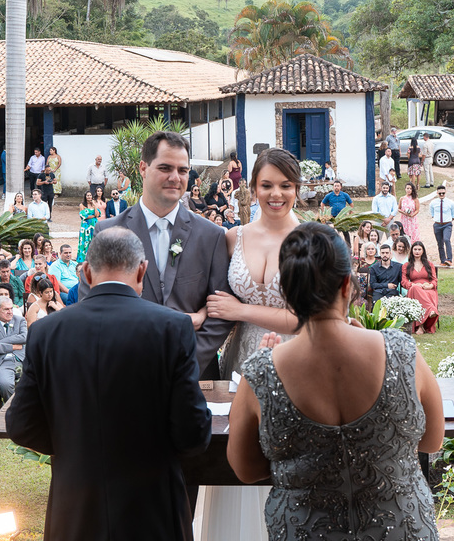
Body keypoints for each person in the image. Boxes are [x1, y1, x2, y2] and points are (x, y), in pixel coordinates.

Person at [226, 222, 443, 540]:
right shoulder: (400, 351)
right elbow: (431, 441)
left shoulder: (262, 372)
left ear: (286, 292)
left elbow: (246, 469)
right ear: (347, 285)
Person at [7, 227, 212, 541]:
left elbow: (21, 424)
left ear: (87, 273)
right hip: (152, 510)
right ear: (141, 269)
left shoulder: (46, 332)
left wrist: (72, 445)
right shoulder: (173, 327)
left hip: (74, 511)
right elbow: (193, 432)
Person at [199, 148, 304, 541]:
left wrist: (240, 310)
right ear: (252, 188)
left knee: (286, 452)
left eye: (285, 185)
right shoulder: (233, 237)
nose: (276, 194)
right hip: (240, 360)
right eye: (267, 185)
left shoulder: (310, 240)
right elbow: (210, 298)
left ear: (297, 189)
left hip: (295, 359)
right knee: (239, 446)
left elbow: (306, 317)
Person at [89, 130, 233, 380]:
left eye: (183, 170)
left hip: (193, 376)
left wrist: (185, 364)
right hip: (128, 373)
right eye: (165, 168)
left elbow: (221, 313)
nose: (175, 178)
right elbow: (93, 307)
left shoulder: (211, 236)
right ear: (143, 168)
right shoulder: (108, 232)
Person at [0, 291, 27, 400]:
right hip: (1, 363)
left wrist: (0, 343)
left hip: (21, 360)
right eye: (6, 309)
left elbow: (25, 338)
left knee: (37, 378)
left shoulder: (20, 320)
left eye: (11, 308)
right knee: (5, 384)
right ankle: (13, 410)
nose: (10, 312)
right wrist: (13, 346)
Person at [403, 241, 440, 333]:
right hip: (413, 289)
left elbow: (434, 280)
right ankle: (431, 310)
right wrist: (413, 284)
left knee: (423, 295)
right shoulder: (406, 265)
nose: (417, 251)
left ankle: (420, 327)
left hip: (428, 289)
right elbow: (404, 281)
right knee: (415, 289)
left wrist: (430, 286)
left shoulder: (429, 264)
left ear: (423, 251)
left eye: (419, 249)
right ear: (412, 251)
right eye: (415, 249)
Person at [430, 184, 454, 266]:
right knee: (439, 243)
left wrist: (447, 221)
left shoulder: (451, 203)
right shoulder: (433, 203)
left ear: (445, 192)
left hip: (447, 224)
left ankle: (449, 259)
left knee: (446, 239)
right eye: (440, 193)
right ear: (437, 193)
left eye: (443, 193)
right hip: (437, 224)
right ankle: (442, 260)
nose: (441, 195)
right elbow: (432, 214)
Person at [76, 190, 99, 262]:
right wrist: (93, 216)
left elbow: (97, 214)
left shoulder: (94, 204)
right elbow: (84, 216)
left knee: (93, 241)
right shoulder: (82, 205)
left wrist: (94, 206)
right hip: (86, 226)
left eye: (90, 195)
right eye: (87, 195)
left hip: (93, 226)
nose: (89, 197)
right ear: (85, 197)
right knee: (85, 241)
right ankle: (83, 259)